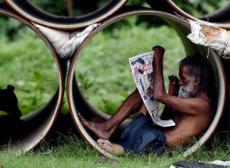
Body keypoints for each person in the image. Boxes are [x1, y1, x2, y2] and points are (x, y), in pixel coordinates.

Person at [79, 46, 215, 155]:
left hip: (155, 143)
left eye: (183, 78)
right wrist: (173, 94)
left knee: (149, 91)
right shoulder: (192, 100)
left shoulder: (203, 105)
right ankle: (109, 128)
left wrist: (158, 60)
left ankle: (123, 149)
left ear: (197, 80)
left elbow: (159, 95)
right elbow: (165, 123)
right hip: (154, 134)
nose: (179, 82)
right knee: (142, 90)